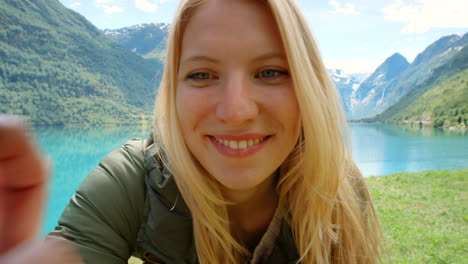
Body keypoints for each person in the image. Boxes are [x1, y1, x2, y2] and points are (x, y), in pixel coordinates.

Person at [0, 0, 380, 263]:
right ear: (173, 93)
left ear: (308, 88)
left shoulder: (338, 188)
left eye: (270, 72)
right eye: (202, 75)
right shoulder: (128, 181)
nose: (235, 110)